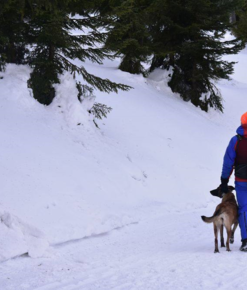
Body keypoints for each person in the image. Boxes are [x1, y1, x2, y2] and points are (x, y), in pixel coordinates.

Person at [221, 111, 247, 251]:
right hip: (241, 180)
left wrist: (224, 180)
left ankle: (246, 240)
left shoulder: (236, 140)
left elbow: (228, 162)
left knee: (243, 209)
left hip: (241, 180)